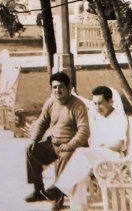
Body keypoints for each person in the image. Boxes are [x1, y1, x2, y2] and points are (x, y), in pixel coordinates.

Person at [25, 71, 90, 210]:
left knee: (64, 157)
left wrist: (70, 145)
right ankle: (38, 191)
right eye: (54, 87)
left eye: (61, 87)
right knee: (31, 151)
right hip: (54, 144)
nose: (57, 90)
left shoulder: (78, 105)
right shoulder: (51, 103)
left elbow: (84, 131)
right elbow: (42, 122)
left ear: (69, 87)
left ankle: (57, 197)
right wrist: (34, 139)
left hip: (74, 148)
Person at [55, 86, 128, 210]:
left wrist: (98, 149)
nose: (96, 107)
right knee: (78, 174)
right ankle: (79, 208)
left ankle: (60, 188)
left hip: (115, 158)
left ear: (111, 102)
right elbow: (87, 104)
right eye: (95, 103)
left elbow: (119, 144)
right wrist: (74, 95)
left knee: (81, 153)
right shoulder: (98, 115)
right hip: (99, 157)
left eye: (100, 104)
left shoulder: (118, 117)